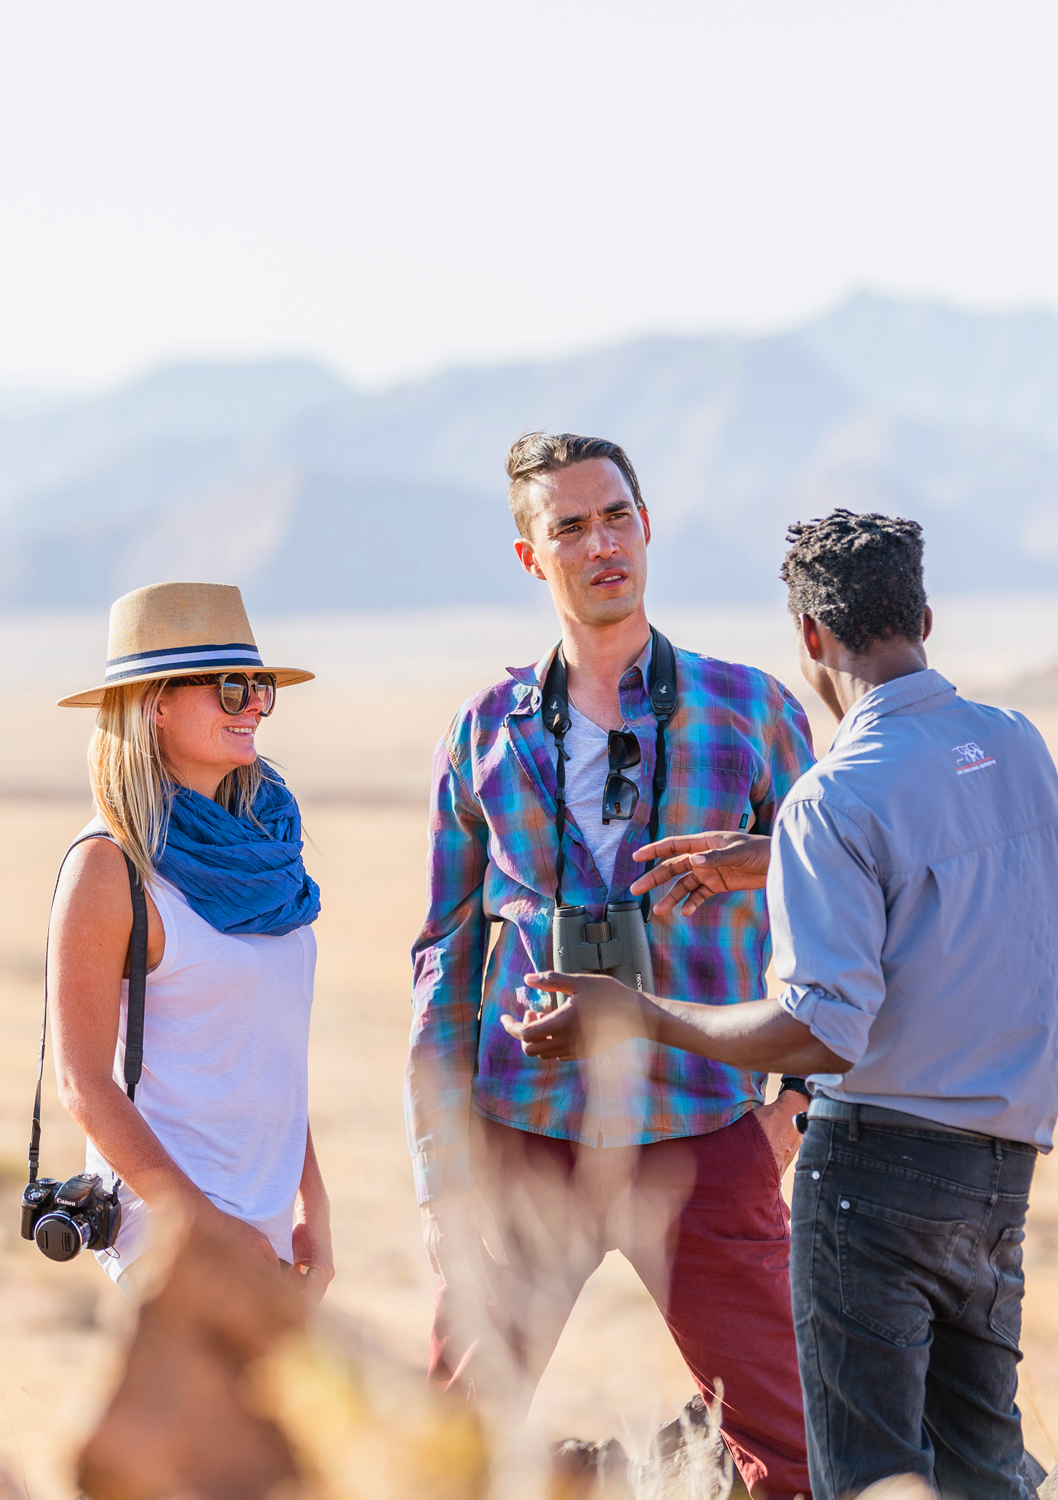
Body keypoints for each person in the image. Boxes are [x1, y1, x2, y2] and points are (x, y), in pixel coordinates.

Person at [507, 510, 1058, 1500]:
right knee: (983, 1466)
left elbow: (816, 1033)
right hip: (1001, 1170)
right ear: (927, 617)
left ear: (809, 636)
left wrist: (637, 1012)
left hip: (877, 1177)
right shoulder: (1014, 744)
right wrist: (782, 865)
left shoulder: (836, 796)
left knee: (867, 1473)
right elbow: (940, 882)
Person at [408, 432, 817, 1497]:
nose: (602, 545)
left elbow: (836, 920)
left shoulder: (753, 710)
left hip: (701, 1127)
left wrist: (802, 1102)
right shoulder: (484, 729)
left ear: (648, 527)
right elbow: (445, 955)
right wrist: (438, 1169)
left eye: (617, 517)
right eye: (570, 526)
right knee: (447, 1447)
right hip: (523, 1136)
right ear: (529, 556)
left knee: (795, 1449)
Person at [49, 580, 334, 1303]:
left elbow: (265, 1051)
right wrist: (204, 1226)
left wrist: (311, 1203)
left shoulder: (268, 852)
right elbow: (83, 1085)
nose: (258, 707)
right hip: (172, 1238)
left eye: (262, 688)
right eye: (232, 689)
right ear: (156, 706)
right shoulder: (108, 866)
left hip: (262, 1230)